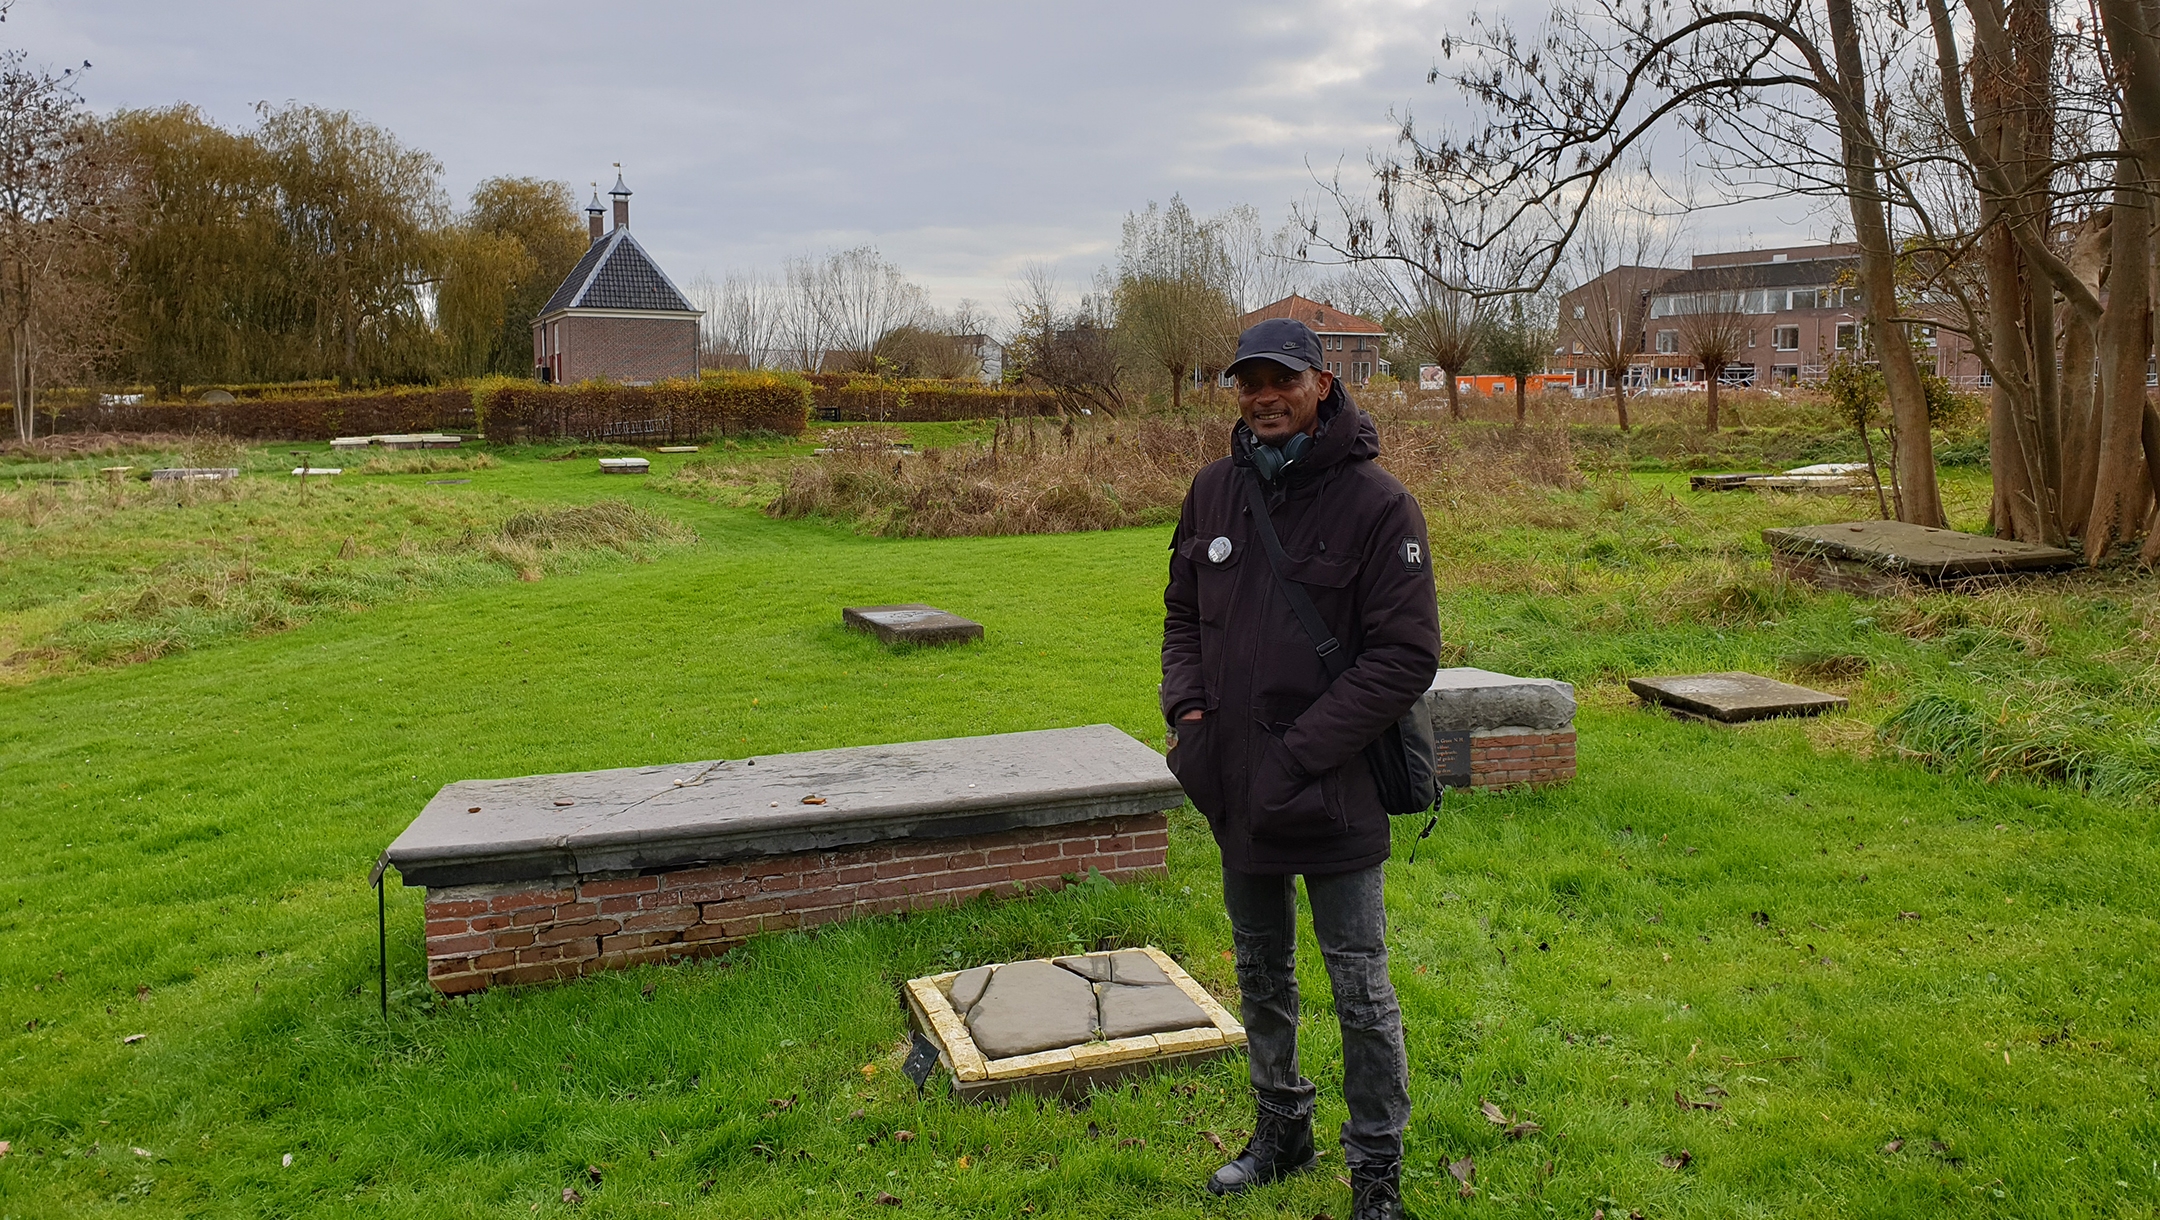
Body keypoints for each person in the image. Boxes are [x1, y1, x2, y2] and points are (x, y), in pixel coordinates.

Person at [1161, 317, 1439, 1220]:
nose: (1261, 397)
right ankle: (1282, 1129)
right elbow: (1179, 617)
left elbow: (1403, 658)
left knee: (1358, 983)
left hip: (1334, 789)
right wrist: (1191, 718)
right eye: (1247, 382)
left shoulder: (1378, 504)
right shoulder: (1211, 494)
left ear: (1321, 383)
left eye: (1280, 379)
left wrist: (1300, 752)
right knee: (1260, 969)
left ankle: (1377, 1175)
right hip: (1235, 787)